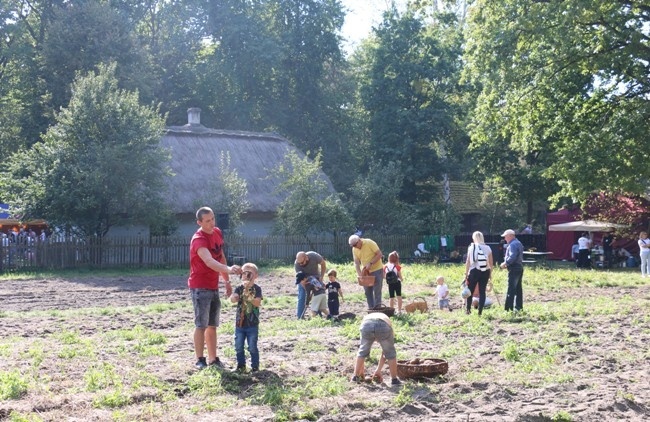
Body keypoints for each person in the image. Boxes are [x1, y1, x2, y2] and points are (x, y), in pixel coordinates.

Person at [188, 206, 242, 370]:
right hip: (200, 286)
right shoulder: (199, 239)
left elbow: (221, 256)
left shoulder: (217, 232)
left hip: (213, 286)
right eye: (207, 221)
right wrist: (229, 270)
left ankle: (213, 359)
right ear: (199, 222)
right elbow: (209, 261)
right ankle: (200, 360)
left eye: (213, 219)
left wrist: (226, 281)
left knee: (212, 325)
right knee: (201, 325)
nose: (212, 223)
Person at [351, 312, 401, 386]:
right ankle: (394, 380)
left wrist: (361, 373)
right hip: (383, 324)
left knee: (362, 351)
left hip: (366, 324)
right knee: (390, 353)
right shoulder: (388, 325)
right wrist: (378, 370)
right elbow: (386, 352)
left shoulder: (367, 318)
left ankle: (355, 377)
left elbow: (362, 353)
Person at [230, 262, 263, 373]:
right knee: (238, 346)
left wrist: (249, 296)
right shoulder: (239, 288)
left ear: (256, 276)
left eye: (250, 273)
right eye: (244, 273)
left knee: (252, 346)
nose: (246, 276)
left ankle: (255, 367)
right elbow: (233, 299)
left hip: (252, 324)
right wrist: (234, 296)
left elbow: (258, 303)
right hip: (240, 324)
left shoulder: (257, 289)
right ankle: (241, 366)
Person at [349, 234, 384, 309]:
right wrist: (360, 274)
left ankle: (378, 308)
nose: (355, 247)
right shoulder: (354, 249)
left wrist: (371, 263)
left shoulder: (369, 242)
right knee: (367, 291)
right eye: (353, 246)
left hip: (377, 269)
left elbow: (379, 254)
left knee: (377, 291)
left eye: (355, 245)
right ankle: (371, 308)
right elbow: (356, 262)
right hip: (366, 272)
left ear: (359, 241)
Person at [464, 231, 493, 316]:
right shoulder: (488, 248)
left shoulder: (471, 247)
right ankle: (480, 312)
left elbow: (468, 261)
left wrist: (466, 273)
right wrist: (490, 274)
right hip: (485, 271)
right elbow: (491, 263)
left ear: (474, 238)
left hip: (474, 271)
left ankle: (468, 309)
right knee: (482, 291)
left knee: (470, 291)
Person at [294, 251, 326, 319]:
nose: (301, 264)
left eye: (302, 263)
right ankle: (300, 317)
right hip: (304, 279)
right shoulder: (297, 264)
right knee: (302, 295)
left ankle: (318, 315)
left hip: (316, 277)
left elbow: (323, 264)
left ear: (306, 258)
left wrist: (321, 277)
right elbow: (301, 279)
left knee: (318, 294)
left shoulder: (314, 256)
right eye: (299, 263)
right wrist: (307, 293)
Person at [499, 229, 524, 313]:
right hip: (519, 267)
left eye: (505, 236)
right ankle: (518, 307)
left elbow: (512, 256)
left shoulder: (512, 244)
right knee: (518, 289)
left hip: (514, 268)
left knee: (511, 289)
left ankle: (508, 309)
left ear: (510, 236)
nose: (505, 238)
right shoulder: (518, 243)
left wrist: (505, 263)